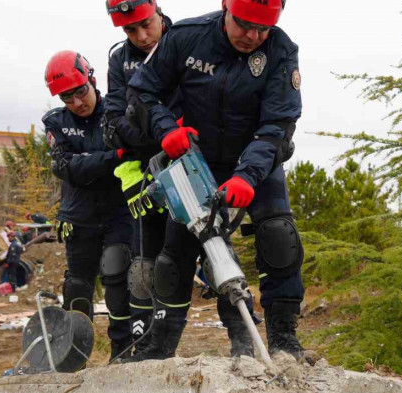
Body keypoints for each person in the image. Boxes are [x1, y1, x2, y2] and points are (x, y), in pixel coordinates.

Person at [128, 0, 307, 359]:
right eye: (244, 24)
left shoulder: (282, 51)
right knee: (176, 254)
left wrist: (247, 175)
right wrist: (165, 129)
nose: (253, 36)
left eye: (263, 28)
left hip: (256, 159)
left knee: (278, 236)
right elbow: (142, 92)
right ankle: (160, 347)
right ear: (226, 7)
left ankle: (284, 340)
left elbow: (277, 125)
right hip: (195, 159)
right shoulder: (186, 38)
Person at [43, 50, 136, 361]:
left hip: (119, 212)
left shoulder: (118, 110)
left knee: (118, 277)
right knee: (78, 288)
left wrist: (86, 164)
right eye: (67, 97)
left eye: (81, 92)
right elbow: (65, 167)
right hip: (78, 216)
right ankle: (74, 354)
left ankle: (122, 353)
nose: (77, 102)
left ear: (92, 81)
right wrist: (113, 158)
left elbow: (130, 154)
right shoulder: (56, 122)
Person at [103, 0, 183, 361]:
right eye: (130, 30)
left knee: (211, 253)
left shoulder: (185, 41)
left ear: (159, 11)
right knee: (146, 263)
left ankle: (241, 336)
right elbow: (115, 123)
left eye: (145, 25)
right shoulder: (120, 60)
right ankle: (147, 342)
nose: (141, 36)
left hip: (190, 156)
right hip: (147, 164)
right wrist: (154, 134)